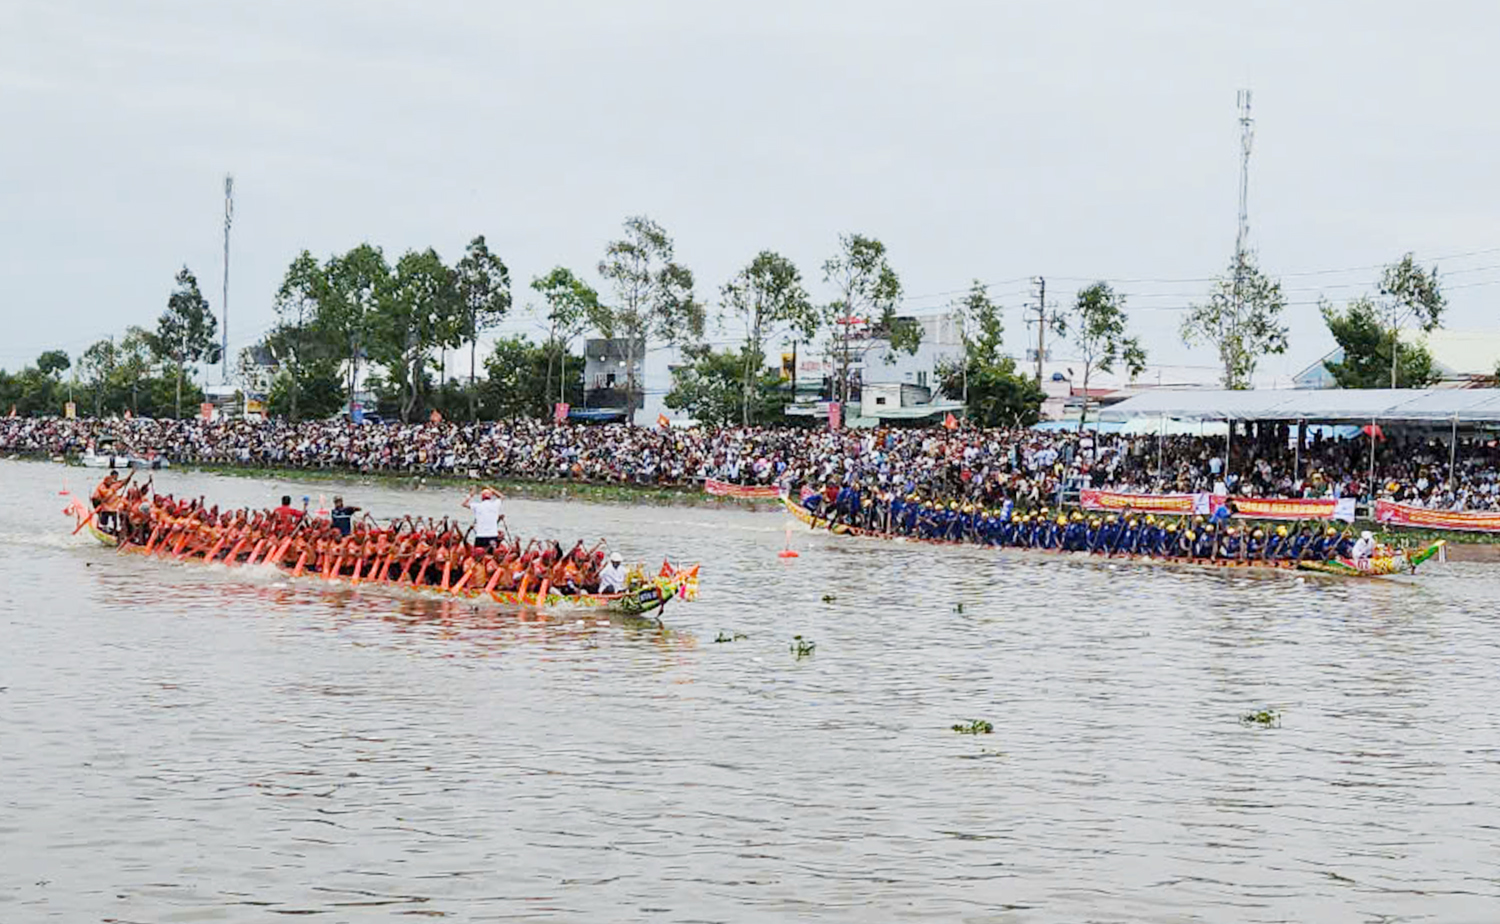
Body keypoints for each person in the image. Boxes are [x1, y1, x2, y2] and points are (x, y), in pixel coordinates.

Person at [463, 485, 506, 550]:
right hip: (493, 536)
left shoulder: (477, 506)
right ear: (490, 497)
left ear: (482, 498)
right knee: (491, 556)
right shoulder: (495, 505)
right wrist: (492, 490)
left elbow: (464, 504)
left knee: (478, 557)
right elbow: (502, 497)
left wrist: (471, 494)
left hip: (480, 536)